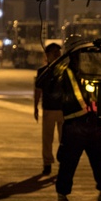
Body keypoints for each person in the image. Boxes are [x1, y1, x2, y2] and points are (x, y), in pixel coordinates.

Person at [36, 35, 101, 201]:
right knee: (68, 164)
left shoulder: (90, 70)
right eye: (82, 53)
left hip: (94, 125)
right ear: (73, 54)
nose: (85, 56)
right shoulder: (62, 71)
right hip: (74, 126)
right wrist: (56, 62)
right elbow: (42, 82)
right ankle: (62, 199)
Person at [34, 42, 64, 175]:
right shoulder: (43, 71)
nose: (57, 55)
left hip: (63, 110)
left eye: (58, 52)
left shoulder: (65, 70)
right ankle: (47, 163)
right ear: (47, 55)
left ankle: (63, 162)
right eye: (54, 53)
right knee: (47, 139)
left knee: (65, 140)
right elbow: (38, 90)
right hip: (49, 109)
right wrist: (35, 107)